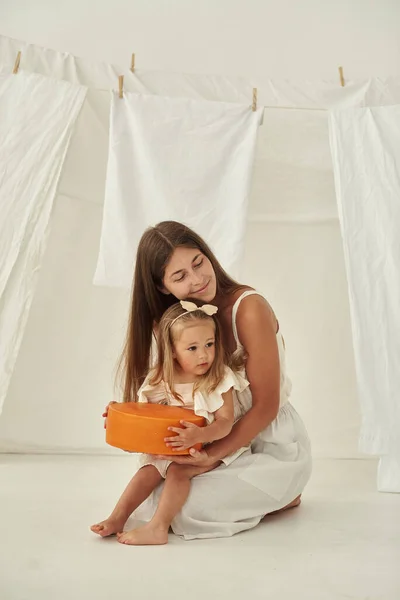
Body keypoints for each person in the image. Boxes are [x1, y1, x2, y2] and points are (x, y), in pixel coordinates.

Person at [99, 220, 312, 540]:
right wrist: (130, 421)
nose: (197, 279)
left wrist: (210, 456)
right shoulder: (180, 324)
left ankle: (284, 492)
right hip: (215, 440)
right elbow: (174, 398)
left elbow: (266, 407)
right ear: (162, 287)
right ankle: (257, 497)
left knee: (185, 512)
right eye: (180, 276)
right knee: (158, 497)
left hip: (269, 444)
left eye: (198, 263)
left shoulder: (248, 309)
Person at [91, 300, 250, 545]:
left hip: (211, 447)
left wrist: (200, 436)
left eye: (209, 344)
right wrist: (119, 417)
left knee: (177, 471)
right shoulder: (161, 378)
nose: (204, 354)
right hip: (173, 446)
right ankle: (117, 517)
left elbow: (226, 422)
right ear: (173, 350)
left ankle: (158, 527)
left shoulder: (219, 377)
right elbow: (144, 414)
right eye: (193, 348)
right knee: (148, 471)